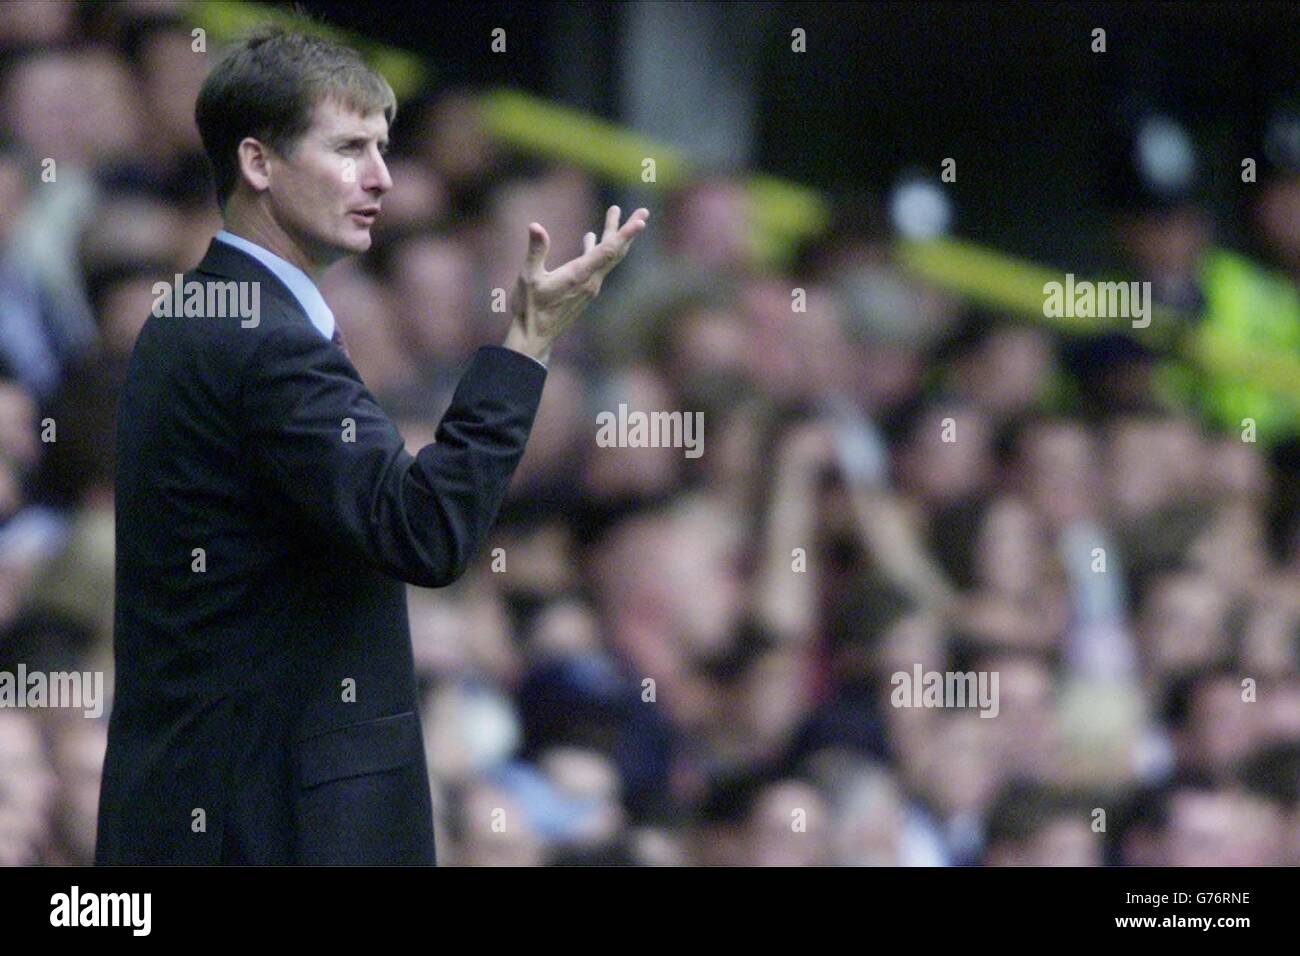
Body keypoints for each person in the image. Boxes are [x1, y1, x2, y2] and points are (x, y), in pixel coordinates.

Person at [95, 27, 647, 865]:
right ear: (258, 163)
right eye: (349, 147)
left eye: (383, 148)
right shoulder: (265, 344)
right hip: (267, 831)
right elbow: (427, 532)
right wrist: (527, 342)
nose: (381, 177)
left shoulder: (204, 319)